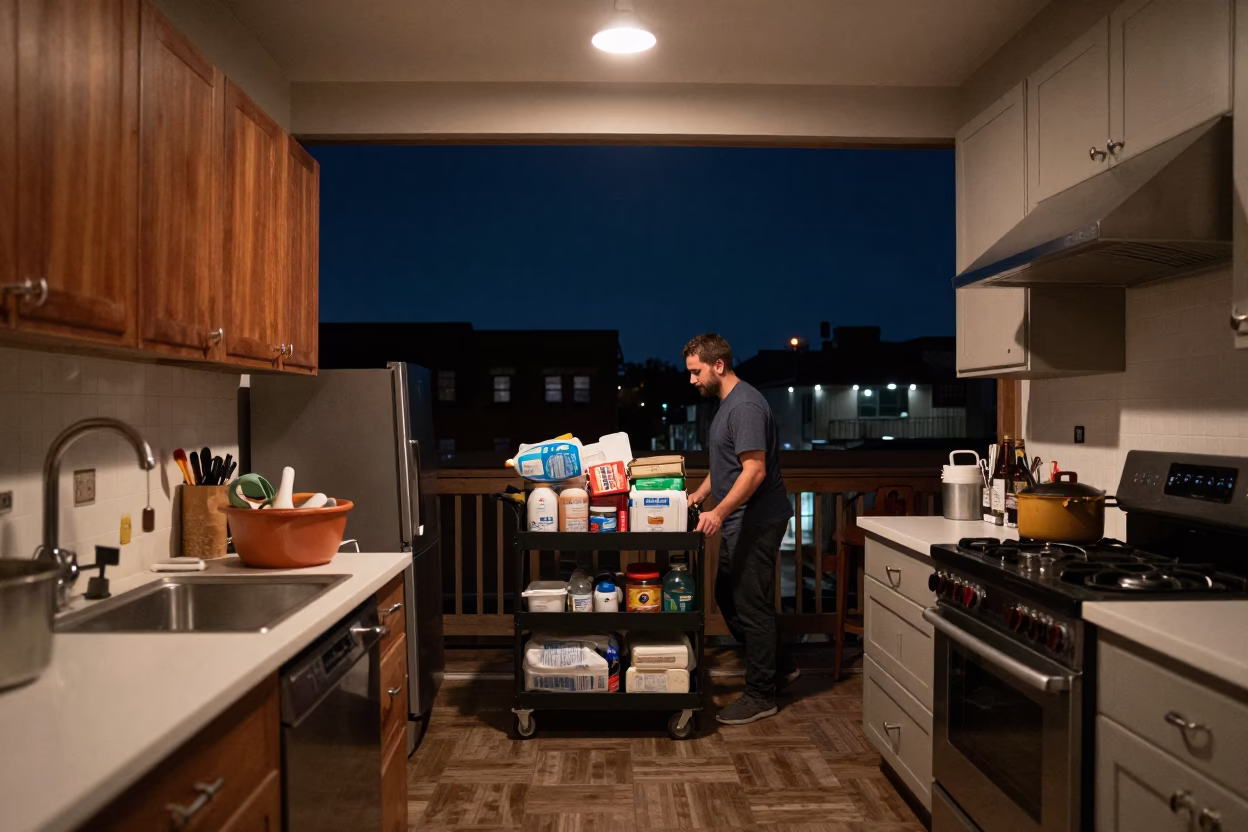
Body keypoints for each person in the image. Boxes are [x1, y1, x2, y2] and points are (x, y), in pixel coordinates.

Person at [684, 333, 798, 724]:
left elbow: (754, 471)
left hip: (758, 518)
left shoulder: (745, 406)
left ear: (718, 365)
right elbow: (726, 466)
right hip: (741, 518)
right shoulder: (727, 403)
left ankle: (761, 694)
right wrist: (698, 496)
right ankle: (780, 666)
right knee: (727, 595)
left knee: (751, 606)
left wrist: (717, 512)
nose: (692, 380)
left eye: (696, 371)